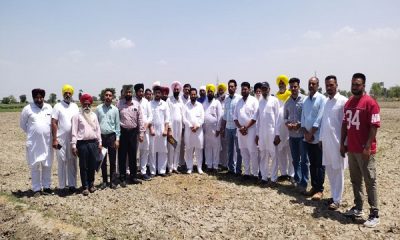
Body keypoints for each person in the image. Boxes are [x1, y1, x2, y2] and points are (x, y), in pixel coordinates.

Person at [342, 73, 381, 228]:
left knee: (370, 181)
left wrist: (367, 147)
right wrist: (342, 143)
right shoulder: (349, 101)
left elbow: (374, 127)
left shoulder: (371, 103)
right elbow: (345, 124)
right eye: (353, 84)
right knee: (355, 180)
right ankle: (358, 207)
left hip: (365, 151)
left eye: (357, 84)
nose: (354, 87)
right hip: (352, 149)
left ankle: (374, 213)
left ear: (364, 85)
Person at [320, 75, 348, 210]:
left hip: (338, 143)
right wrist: (320, 139)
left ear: (337, 85)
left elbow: (346, 124)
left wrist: (345, 143)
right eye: (327, 85)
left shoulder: (343, 101)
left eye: (331, 85)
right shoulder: (326, 102)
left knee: (338, 171)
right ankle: (333, 195)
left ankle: (337, 200)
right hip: (326, 142)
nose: (329, 88)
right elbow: (323, 122)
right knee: (330, 171)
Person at [20, 88, 54, 196]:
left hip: (47, 142)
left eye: (41, 97)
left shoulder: (48, 107)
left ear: (43, 97)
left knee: (47, 164)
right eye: (36, 97)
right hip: (34, 143)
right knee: (35, 165)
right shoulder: (27, 109)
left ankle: (47, 187)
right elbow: (23, 125)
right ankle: (36, 189)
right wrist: (33, 132)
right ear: (33, 98)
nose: (39, 99)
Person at [301, 77, 327, 201]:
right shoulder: (306, 100)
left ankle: (320, 190)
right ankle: (314, 187)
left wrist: (311, 133)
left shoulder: (322, 99)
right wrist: (305, 133)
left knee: (320, 164)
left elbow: (319, 118)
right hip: (308, 137)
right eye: (309, 83)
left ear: (318, 85)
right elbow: (303, 117)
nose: (311, 85)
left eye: (313, 83)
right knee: (312, 163)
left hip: (317, 137)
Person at [71, 94, 102, 196]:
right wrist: (74, 146)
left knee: (92, 165)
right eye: (85, 104)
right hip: (82, 144)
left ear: (91, 104)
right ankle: (85, 186)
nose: (87, 106)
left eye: (88, 104)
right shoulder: (77, 116)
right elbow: (74, 131)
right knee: (83, 166)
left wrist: (100, 142)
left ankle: (91, 184)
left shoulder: (94, 116)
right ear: (82, 104)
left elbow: (98, 130)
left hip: (93, 143)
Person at [51, 84, 80, 195]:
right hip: (60, 140)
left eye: (69, 93)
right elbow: (54, 122)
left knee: (72, 161)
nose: (68, 94)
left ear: (72, 94)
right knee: (62, 162)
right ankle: (62, 186)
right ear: (63, 93)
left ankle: (72, 185)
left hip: (73, 140)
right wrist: (55, 139)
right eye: (66, 93)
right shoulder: (57, 106)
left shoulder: (75, 106)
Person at [284, 78, 309, 193]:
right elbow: (285, 117)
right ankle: (298, 180)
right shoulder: (288, 102)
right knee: (295, 160)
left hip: (302, 135)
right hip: (292, 136)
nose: (293, 89)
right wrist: (287, 124)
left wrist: (300, 124)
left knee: (304, 160)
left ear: (299, 87)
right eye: (291, 87)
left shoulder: (305, 100)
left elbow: (308, 117)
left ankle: (304, 183)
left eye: (295, 86)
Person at [117, 85, 144, 187]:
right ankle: (122, 177)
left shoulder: (136, 104)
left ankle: (133, 176)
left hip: (133, 132)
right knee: (122, 155)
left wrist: (141, 133)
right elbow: (116, 119)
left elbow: (140, 120)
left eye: (130, 92)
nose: (128, 94)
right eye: (126, 92)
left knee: (133, 155)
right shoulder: (119, 104)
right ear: (124, 93)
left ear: (132, 93)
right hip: (122, 132)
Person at [254, 82, 280, 185]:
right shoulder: (260, 101)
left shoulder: (274, 101)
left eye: (265, 88)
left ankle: (273, 179)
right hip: (262, 132)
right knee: (263, 154)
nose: (264, 90)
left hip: (272, 132)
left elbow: (278, 118)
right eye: (262, 89)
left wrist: (277, 134)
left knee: (273, 155)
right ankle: (264, 177)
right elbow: (258, 119)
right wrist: (257, 134)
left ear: (269, 89)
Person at [95, 88, 120, 189]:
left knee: (113, 160)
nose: (108, 97)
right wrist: (97, 139)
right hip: (102, 137)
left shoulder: (115, 110)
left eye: (110, 95)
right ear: (104, 96)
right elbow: (95, 124)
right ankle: (105, 181)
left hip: (111, 137)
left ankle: (112, 182)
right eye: (106, 95)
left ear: (112, 97)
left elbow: (117, 126)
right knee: (103, 161)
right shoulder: (98, 109)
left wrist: (117, 139)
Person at [234, 82, 258, 179]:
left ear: (249, 90)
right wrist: (240, 128)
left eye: (245, 89)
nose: (243, 91)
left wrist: (246, 127)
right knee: (243, 151)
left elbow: (255, 117)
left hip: (251, 130)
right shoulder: (238, 102)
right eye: (242, 89)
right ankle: (247, 173)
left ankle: (255, 174)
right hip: (241, 131)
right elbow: (235, 117)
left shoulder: (254, 101)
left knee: (252, 152)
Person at [221, 79, 242, 175]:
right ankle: (231, 169)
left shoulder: (239, 99)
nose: (230, 88)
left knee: (238, 150)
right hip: (228, 127)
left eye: (232, 86)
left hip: (236, 128)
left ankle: (238, 170)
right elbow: (225, 115)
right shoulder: (226, 99)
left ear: (236, 87)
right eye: (229, 86)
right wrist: (222, 128)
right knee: (229, 149)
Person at [275, 75, 294, 182]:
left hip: (289, 129)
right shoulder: (275, 97)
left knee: (291, 153)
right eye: (280, 83)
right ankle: (283, 173)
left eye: (283, 83)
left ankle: (291, 174)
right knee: (281, 152)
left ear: (286, 84)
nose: (281, 84)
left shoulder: (290, 96)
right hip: (278, 129)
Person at [149, 86, 170, 176]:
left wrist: (166, 130)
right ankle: (153, 171)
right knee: (152, 151)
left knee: (163, 150)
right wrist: (151, 129)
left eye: (159, 93)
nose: (157, 94)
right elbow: (148, 118)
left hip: (162, 130)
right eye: (156, 93)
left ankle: (162, 170)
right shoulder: (149, 104)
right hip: (153, 130)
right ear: (153, 93)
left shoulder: (164, 104)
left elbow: (167, 118)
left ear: (161, 94)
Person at [183, 88, 205, 174]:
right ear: (190, 95)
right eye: (191, 94)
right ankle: (190, 167)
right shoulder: (186, 106)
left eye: (194, 94)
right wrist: (190, 126)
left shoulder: (200, 105)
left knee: (199, 149)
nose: (193, 96)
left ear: (196, 95)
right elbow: (184, 118)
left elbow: (202, 118)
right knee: (189, 149)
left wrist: (197, 126)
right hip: (189, 131)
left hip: (198, 131)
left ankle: (199, 167)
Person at [134, 84, 153, 181]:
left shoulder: (146, 102)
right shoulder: (132, 102)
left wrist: (145, 125)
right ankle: (132, 172)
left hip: (145, 130)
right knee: (134, 151)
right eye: (139, 91)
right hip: (134, 131)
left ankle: (143, 171)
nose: (141, 93)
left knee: (145, 150)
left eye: (142, 91)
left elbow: (150, 116)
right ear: (136, 92)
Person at [203, 84, 223, 171]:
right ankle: (209, 165)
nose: (209, 93)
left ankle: (215, 166)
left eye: (211, 91)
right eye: (208, 91)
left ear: (214, 93)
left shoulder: (217, 102)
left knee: (216, 148)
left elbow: (220, 116)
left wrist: (218, 129)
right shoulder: (205, 103)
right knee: (207, 147)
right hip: (206, 129)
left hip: (215, 129)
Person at [167, 81, 184, 174]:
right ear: (173, 90)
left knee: (177, 146)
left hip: (179, 127)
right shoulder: (169, 100)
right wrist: (169, 128)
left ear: (179, 90)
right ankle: (169, 167)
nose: (176, 90)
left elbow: (183, 114)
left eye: (178, 89)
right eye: (175, 89)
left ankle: (175, 166)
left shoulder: (181, 101)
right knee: (171, 146)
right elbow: (168, 115)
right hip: (172, 127)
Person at [217, 83, 228, 170]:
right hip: (218, 127)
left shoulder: (228, 100)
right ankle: (220, 163)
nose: (221, 91)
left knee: (226, 146)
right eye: (219, 90)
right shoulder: (217, 100)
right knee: (219, 146)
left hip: (227, 126)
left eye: (222, 90)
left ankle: (226, 164)